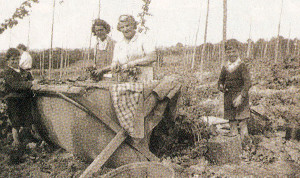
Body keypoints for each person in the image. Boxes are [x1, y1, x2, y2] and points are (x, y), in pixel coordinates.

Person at [0, 48, 35, 147]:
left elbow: (31, 79)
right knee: (15, 121)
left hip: (24, 99)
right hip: (13, 100)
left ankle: (27, 139)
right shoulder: (7, 72)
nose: (15, 61)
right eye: (12, 59)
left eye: (17, 59)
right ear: (8, 61)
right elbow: (15, 85)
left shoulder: (23, 71)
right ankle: (16, 141)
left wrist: (33, 82)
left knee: (27, 118)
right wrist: (29, 84)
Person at [218, 39, 251, 140]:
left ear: (238, 51)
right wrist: (220, 86)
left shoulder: (242, 66)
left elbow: (248, 83)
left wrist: (241, 96)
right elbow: (220, 80)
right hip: (228, 96)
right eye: (228, 52)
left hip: (240, 96)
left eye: (233, 51)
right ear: (226, 53)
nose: (231, 54)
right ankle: (234, 138)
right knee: (231, 120)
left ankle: (245, 142)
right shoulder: (225, 67)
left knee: (242, 120)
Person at [110, 14, 156, 82]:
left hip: (144, 79)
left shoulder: (144, 38)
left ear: (133, 26)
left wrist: (134, 63)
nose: (125, 29)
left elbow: (152, 57)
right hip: (124, 79)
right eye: (122, 27)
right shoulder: (118, 44)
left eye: (127, 26)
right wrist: (114, 64)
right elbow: (115, 60)